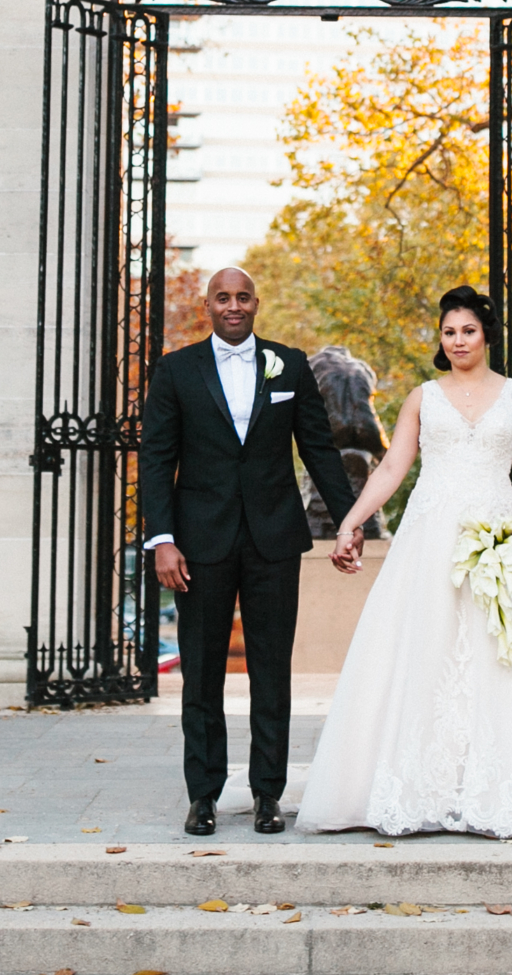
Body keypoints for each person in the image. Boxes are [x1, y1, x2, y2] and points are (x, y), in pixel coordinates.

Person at [298, 283, 512, 838]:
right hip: (430, 540)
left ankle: (495, 790)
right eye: (449, 332)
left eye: (467, 330)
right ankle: (418, 789)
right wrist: (351, 522)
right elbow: (390, 469)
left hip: (495, 536)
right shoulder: (422, 396)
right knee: (424, 655)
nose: (458, 340)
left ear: (485, 335)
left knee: (497, 659)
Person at [138, 266, 359, 837]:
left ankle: (267, 795)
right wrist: (161, 539)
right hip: (198, 543)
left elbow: (318, 447)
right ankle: (203, 796)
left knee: (270, 671)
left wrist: (350, 522)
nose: (232, 306)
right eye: (222, 298)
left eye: (242, 297)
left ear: (256, 303)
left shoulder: (289, 363)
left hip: (273, 541)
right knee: (203, 674)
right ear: (207, 305)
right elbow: (157, 461)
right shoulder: (175, 370)